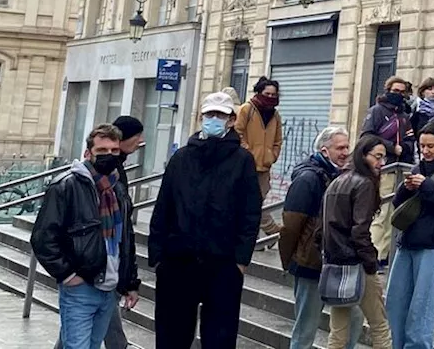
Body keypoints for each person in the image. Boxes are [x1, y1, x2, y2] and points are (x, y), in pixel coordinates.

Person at [149, 91, 262, 349]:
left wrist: (240, 261)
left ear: (232, 120)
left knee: (219, 338)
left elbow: (250, 212)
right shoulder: (182, 158)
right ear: (201, 117)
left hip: (222, 264)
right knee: (171, 337)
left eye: (220, 115)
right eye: (209, 114)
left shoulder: (242, 161)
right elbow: (164, 206)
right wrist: (158, 255)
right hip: (178, 262)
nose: (214, 119)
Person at [32, 124, 139, 349]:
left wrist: (130, 282)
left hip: (109, 289)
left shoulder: (118, 189)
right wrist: (68, 275)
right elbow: (43, 238)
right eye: (102, 151)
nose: (109, 156)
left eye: (114, 151)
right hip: (81, 287)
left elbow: (125, 238)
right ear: (88, 153)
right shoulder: (66, 186)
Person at [385, 121, 434, 349]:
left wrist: (427, 186)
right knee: (396, 300)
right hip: (408, 241)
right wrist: (405, 188)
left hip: (433, 244)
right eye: (422, 146)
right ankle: (395, 344)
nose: (426, 151)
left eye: (431, 145)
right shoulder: (417, 168)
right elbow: (399, 204)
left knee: (422, 304)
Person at [280, 127, 350, 349]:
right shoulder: (308, 179)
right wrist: (290, 260)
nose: (345, 152)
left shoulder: (340, 175)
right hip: (310, 262)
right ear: (324, 150)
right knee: (306, 328)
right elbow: (291, 225)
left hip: (336, 260)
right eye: (340, 148)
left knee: (354, 318)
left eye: (347, 147)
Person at [324, 134, 392, 349]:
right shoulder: (364, 184)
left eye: (383, 158)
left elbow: (322, 226)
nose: (381, 163)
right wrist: (370, 262)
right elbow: (360, 230)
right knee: (379, 324)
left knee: (338, 331)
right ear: (364, 155)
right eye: (378, 157)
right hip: (357, 263)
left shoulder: (337, 181)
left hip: (336, 262)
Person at [362, 76, 414, 266]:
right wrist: (392, 147)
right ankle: (374, 254)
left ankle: (384, 254)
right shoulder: (376, 112)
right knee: (381, 213)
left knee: (393, 212)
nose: (398, 95)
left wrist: (405, 149)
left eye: (402, 92)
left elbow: (410, 139)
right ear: (387, 90)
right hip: (384, 168)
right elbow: (367, 136)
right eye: (395, 91)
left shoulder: (404, 116)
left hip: (400, 171)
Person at [238, 77, 284, 244]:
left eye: (274, 94)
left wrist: (273, 155)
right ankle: (272, 232)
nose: (271, 97)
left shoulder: (275, 115)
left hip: (264, 168)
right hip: (246, 166)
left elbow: (278, 139)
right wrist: (247, 153)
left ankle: (260, 237)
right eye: (267, 93)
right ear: (259, 92)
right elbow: (237, 132)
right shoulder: (247, 109)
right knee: (252, 203)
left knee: (256, 203)